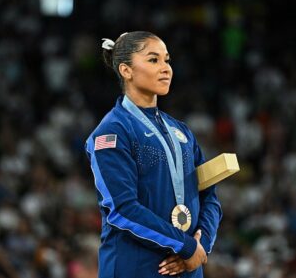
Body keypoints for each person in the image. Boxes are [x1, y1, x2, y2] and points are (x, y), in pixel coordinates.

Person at [85, 31, 222, 278]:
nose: (166, 68)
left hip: (188, 269)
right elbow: (122, 209)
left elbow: (209, 194)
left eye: (167, 60)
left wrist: (201, 244)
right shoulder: (112, 132)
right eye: (153, 60)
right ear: (126, 70)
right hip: (136, 267)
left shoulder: (182, 132)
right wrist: (185, 246)